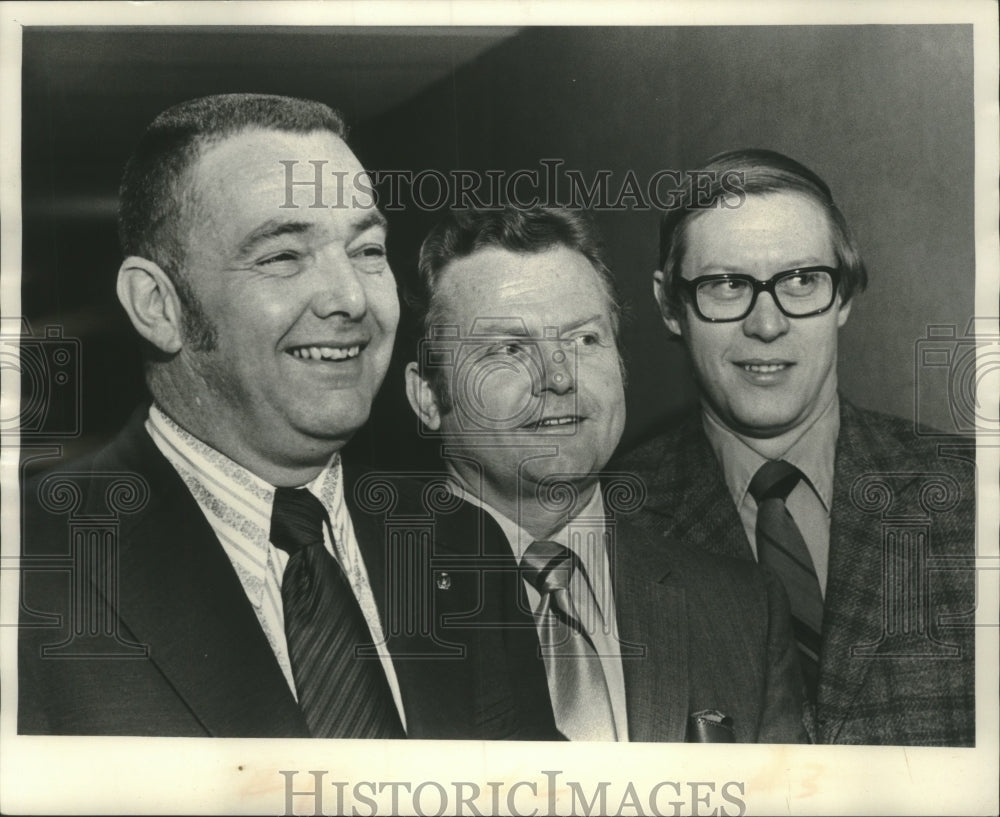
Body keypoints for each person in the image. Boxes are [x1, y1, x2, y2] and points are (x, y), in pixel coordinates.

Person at [17, 94, 551, 739]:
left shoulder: (461, 542)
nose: (350, 299)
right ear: (159, 306)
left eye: (368, 250)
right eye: (281, 256)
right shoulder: (29, 563)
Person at [401, 205, 807, 742]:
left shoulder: (744, 610)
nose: (559, 378)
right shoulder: (366, 600)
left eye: (584, 340)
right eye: (507, 348)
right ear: (428, 396)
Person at [614, 148, 975, 746]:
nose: (767, 323)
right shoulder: (607, 521)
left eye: (802, 280)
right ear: (670, 305)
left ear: (845, 295)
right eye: (727, 284)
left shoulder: (974, 492)